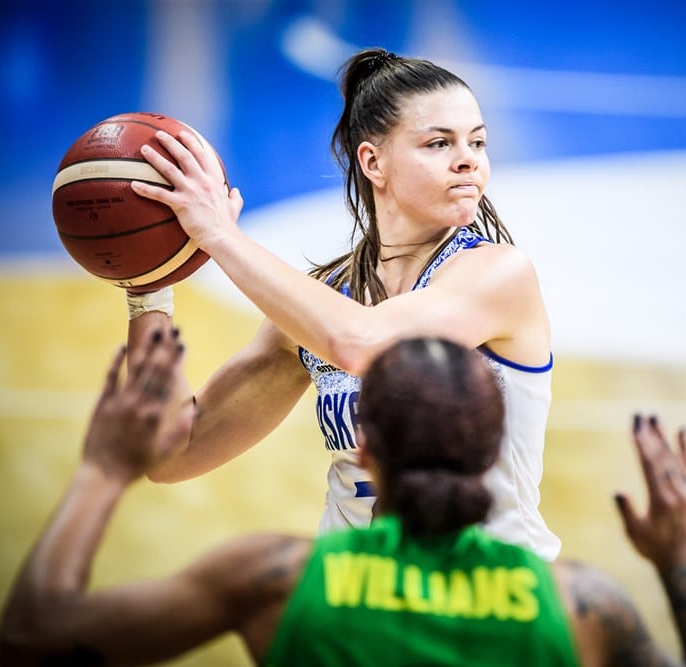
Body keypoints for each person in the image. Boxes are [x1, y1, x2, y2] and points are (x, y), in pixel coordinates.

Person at [0, 333, 686, 667]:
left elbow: (32, 640)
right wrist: (679, 563)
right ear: (494, 450)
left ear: (364, 447)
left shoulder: (275, 581)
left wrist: (103, 470)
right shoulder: (580, 606)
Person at [123, 47, 561, 559]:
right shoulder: (327, 300)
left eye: (478, 141)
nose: (468, 158)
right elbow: (172, 453)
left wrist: (220, 235)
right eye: (439, 143)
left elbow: (359, 343)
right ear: (373, 162)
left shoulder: (499, 274)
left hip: (487, 592)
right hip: (357, 593)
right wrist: (148, 288)